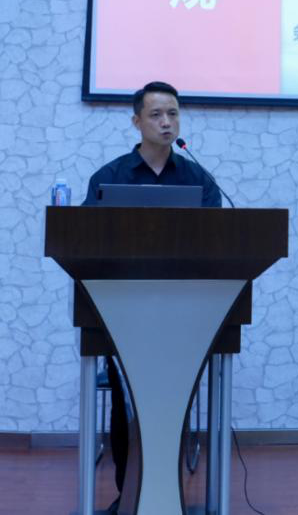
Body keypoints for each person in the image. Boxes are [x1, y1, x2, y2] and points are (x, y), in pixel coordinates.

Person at [82, 80, 223, 512]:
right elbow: (85, 241)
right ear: (137, 121)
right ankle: (130, 496)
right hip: (122, 312)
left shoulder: (199, 179)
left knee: (175, 402)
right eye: (157, 114)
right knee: (126, 404)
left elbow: (219, 241)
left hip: (186, 314)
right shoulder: (109, 178)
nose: (166, 122)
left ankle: (168, 497)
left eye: (173, 114)